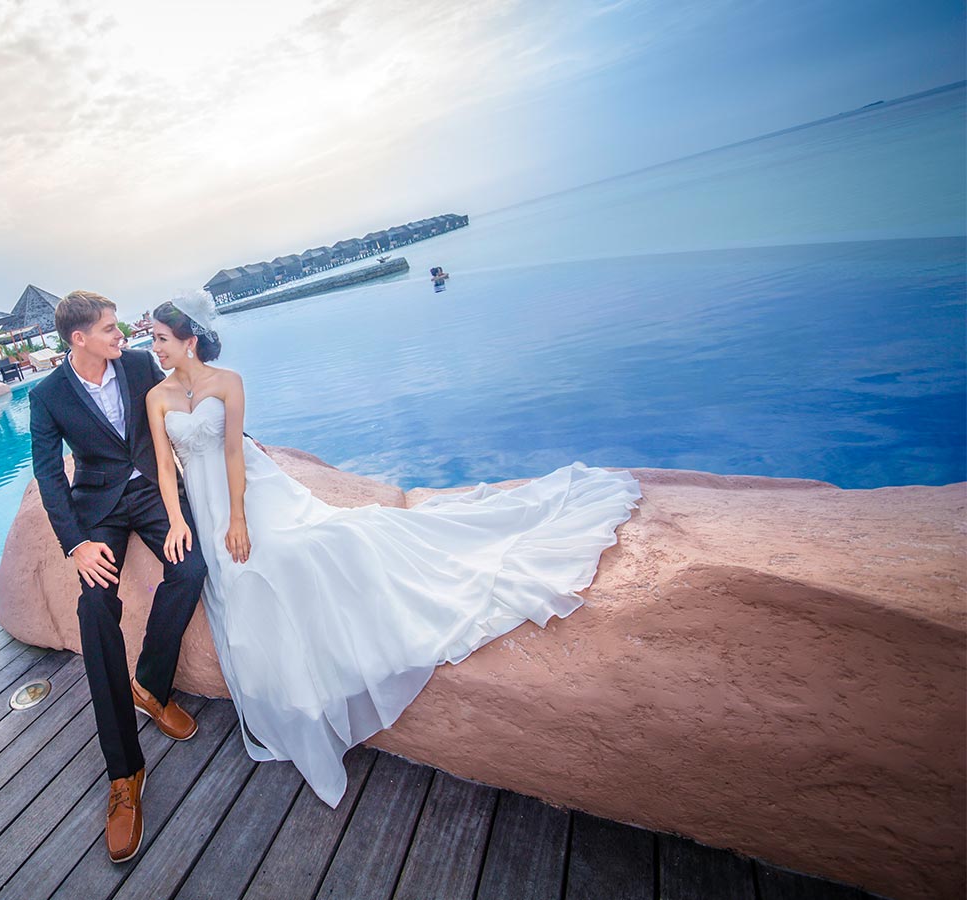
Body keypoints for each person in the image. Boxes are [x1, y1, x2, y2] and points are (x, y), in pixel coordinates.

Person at [143, 289, 641, 807]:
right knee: (248, 583)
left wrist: (239, 519)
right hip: (203, 503)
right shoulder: (158, 396)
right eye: (153, 339)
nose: (153, 347)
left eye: (159, 339)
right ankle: (300, 697)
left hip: (252, 494)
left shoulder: (228, 383)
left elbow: (233, 453)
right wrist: (180, 520)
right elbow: (164, 466)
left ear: (189, 339)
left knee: (318, 543)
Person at [27, 290, 208, 863]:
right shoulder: (47, 395)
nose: (122, 336)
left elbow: (182, 399)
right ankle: (125, 774)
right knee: (95, 609)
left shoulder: (134, 364)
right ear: (78, 339)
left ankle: (150, 686)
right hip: (98, 510)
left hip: (152, 494)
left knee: (192, 566)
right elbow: (49, 476)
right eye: (110, 329)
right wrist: (76, 544)